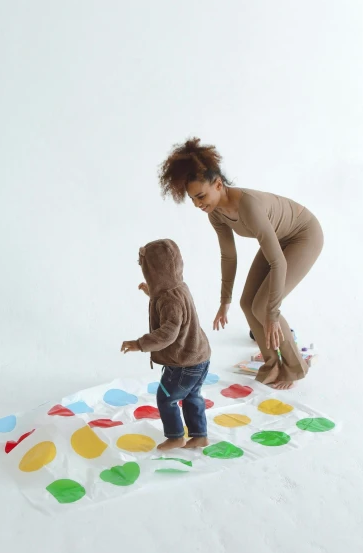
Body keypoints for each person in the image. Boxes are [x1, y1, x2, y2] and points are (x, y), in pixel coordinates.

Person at [158, 138, 324, 390]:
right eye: (193, 199)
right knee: (248, 304)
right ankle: (272, 365)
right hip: (280, 238)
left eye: (201, 196)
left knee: (263, 306)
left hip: (304, 236)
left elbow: (278, 261)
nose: (198, 204)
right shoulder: (215, 212)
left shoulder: (248, 206)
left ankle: (295, 367)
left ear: (218, 184)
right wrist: (225, 301)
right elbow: (229, 256)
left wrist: (272, 313)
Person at [120, 239, 211, 450]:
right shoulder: (179, 288)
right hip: (200, 357)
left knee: (166, 398)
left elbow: (168, 334)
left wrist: (139, 344)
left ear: (153, 271)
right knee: (192, 396)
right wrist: (151, 293)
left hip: (183, 363)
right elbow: (175, 309)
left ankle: (176, 436)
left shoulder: (168, 300)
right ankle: (199, 435)